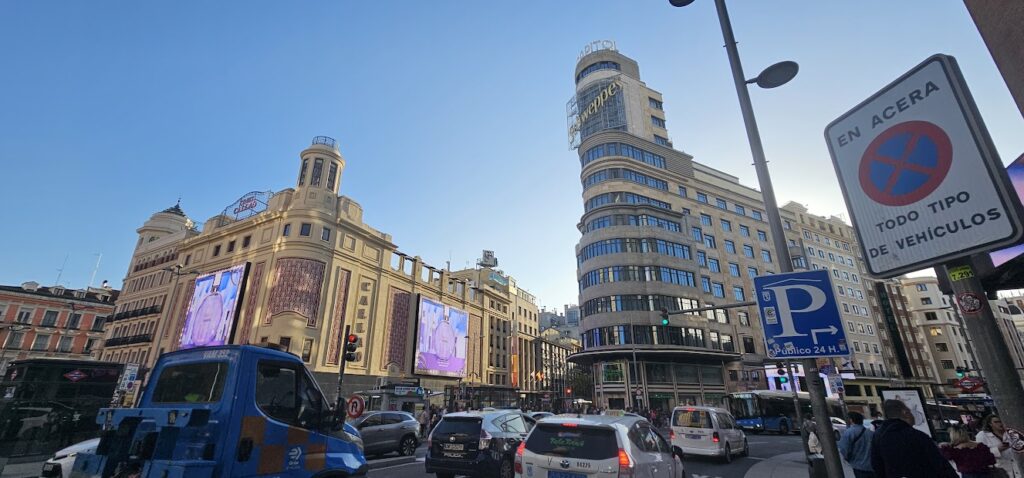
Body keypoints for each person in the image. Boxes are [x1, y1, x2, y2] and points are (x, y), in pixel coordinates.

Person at [871, 399, 958, 478]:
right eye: (910, 411)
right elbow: (939, 464)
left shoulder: (877, 436)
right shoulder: (917, 436)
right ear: (905, 413)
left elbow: (876, 465)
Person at [839, 412, 875, 478]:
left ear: (851, 420)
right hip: (872, 466)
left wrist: (848, 459)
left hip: (858, 466)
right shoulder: (870, 433)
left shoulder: (848, 433)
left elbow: (844, 449)